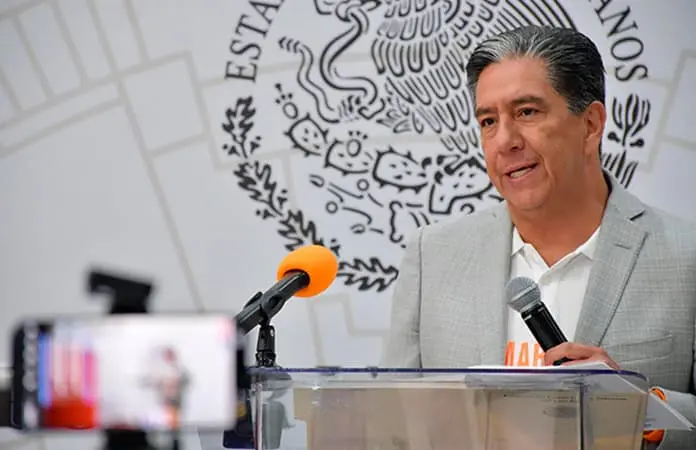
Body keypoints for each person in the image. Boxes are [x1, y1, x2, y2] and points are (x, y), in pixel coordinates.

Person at [382, 25, 696, 449]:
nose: (505, 141)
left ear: (590, 124)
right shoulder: (432, 255)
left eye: (527, 112)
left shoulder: (685, 256)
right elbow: (391, 424)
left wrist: (643, 409)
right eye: (488, 121)